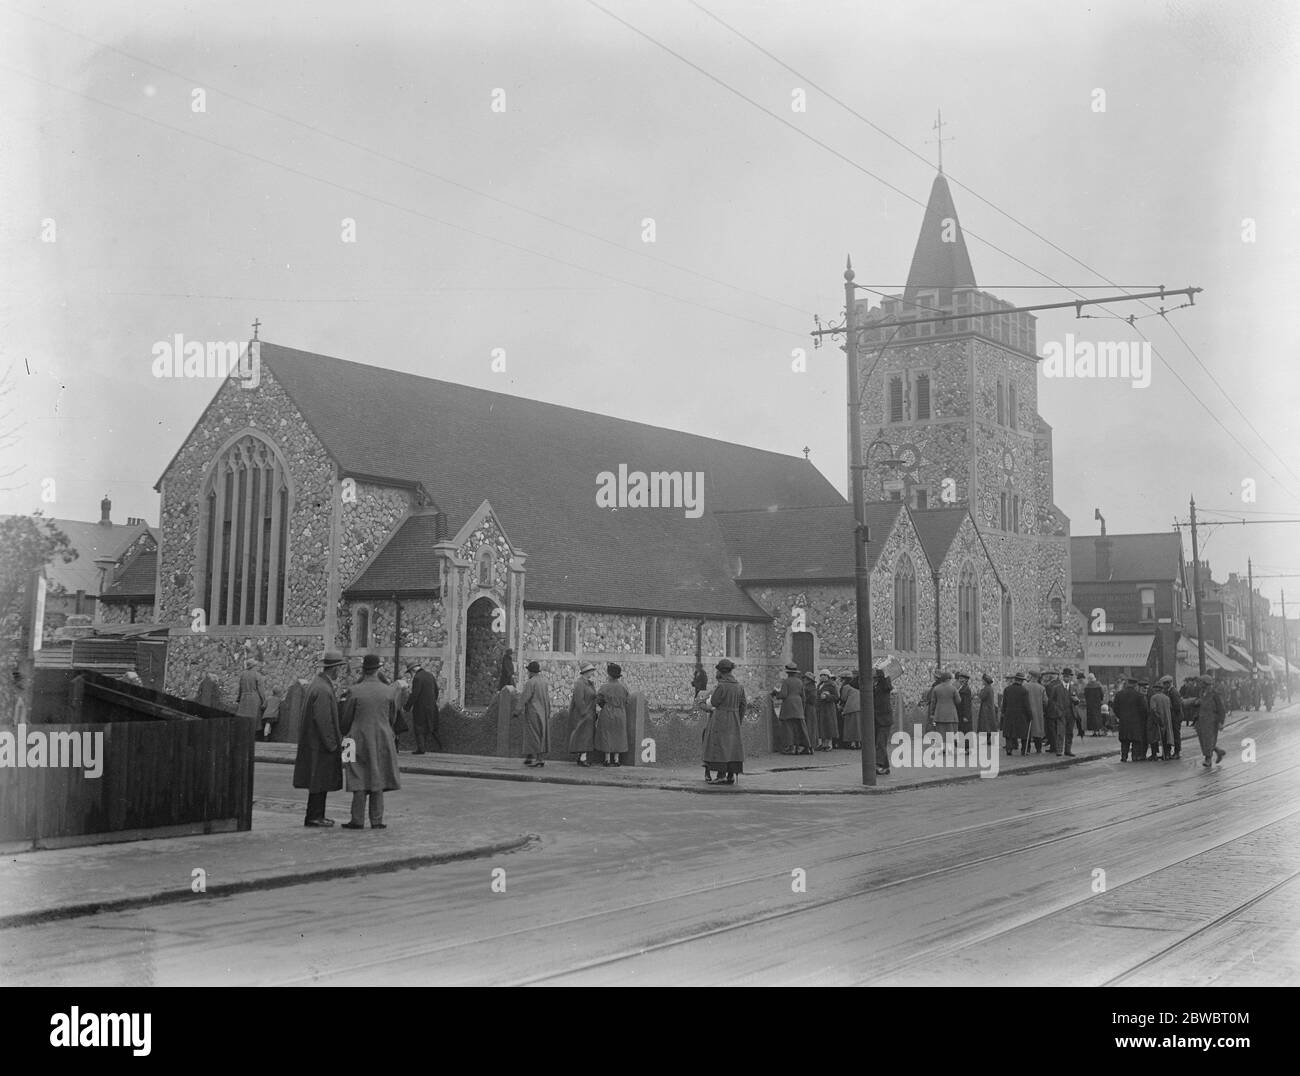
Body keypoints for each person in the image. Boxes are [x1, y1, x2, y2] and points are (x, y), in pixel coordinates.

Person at [340, 654, 401, 829]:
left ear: (364, 670)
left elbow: (346, 720)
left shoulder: (354, 691)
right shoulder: (389, 691)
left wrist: (344, 733)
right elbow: (393, 718)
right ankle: (377, 819)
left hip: (354, 739)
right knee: (378, 776)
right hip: (383, 739)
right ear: (378, 669)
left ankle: (357, 819)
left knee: (356, 774)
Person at [293, 650, 347, 827]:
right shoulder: (323, 689)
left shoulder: (317, 684)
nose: (339, 672)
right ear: (334, 669)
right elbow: (323, 719)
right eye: (339, 668)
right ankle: (315, 816)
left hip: (314, 742)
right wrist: (333, 744)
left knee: (318, 781)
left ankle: (316, 815)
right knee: (320, 781)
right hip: (320, 745)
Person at [701, 658, 745, 784]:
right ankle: (731, 775)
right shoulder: (739, 686)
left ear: (720, 672)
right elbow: (743, 705)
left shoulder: (721, 686)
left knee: (720, 746)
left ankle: (721, 775)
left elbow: (714, 702)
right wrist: (738, 719)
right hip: (734, 718)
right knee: (732, 746)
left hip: (721, 718)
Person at [773, 663, 812, 755]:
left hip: (788, 706)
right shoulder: (799, 682)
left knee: (788, 728)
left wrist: (776, 693)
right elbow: (803, 696)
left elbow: (783, 694)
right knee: (801, 727)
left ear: (788, 673)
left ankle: (790, 748)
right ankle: (807, 747)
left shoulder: (786, 682)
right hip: (798, 705)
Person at [595, 663, 630, 767]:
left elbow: (599, 700)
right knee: (619, 735)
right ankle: (616, 759)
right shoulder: (623, 687)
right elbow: (627, 701)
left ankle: (607, 759)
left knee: (607, 734)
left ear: (609, 675)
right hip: (620, 713)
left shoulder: (604, 687)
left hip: (607, 712)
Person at [518, 660, 551, 767]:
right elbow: (547, 699)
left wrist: (517, 710)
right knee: (541, 735)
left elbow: (524, 698)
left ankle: (538, 759)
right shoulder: (544, 682)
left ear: (531, 672)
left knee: (534, 735)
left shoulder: (530, 683)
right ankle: (531, 757)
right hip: (543, 712)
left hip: (533, 712)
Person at [404, 660, 441, 753]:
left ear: (412, 670)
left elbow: (415, 694)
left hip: (420, 707)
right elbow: (436, 690)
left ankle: (421, 748)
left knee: (419, 727)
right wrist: (432, 701)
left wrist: (407, 706)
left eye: (410, 672)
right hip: (431, 706)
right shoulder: (430, 675)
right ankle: (438, 746)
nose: (411, 674)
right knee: (431, 726)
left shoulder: (417, 677)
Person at [567, 662, 598, 766]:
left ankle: (581, 757)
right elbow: (579, 700)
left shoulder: (589, 683)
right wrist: (584, 712)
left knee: (586, 736)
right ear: (586, 672)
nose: (592, 673)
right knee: (583, 736)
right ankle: (583, 758)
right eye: (591, 671)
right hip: (583, 714)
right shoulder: (580, 683)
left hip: (589, 713)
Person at [1112, 677, 1149, 762]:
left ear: (1127, 684)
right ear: (1135, 685)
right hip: (1136, 723)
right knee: (1136, 741)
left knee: (1124, 741)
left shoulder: (1119, 694)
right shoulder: (1139, 696)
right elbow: (1144, 710)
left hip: (1124, 722)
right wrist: (1142, 719)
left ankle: (1124, 757)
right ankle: (1135, 756)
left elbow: (1115, 708)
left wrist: (1120, 716)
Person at [1195, 674, 1227, 768]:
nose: (1199, 684)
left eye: (1201, 683)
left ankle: (1208, 759)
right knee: (1203, 740)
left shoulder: (1214, 694)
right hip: (1201, 720)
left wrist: (1221, 722)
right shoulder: (1201, 692)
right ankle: (1218, 751)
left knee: (1209, 740)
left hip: (1212, 721)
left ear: (1206, 684)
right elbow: (1200, 704)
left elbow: (1221, 708)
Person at [928, 671, 960, 756]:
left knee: (940, 732)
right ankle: (950, 749)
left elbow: (933, 702)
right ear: (948, 679)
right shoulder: (953, 688)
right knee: (950, 732)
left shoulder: (936, 688)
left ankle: (942, 749)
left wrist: (932, 713)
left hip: (939, 714)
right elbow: (958, 701)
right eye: (950, 679)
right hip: (951, 715)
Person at [1045, 669, 1075, 757]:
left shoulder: (1073, 688)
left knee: (1069, 733)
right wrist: (1057, 709)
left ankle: (1068, 750)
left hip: (1071, 713)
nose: (1067, 678)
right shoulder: (1057, 688)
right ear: (1063, 677)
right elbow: (1052, 700)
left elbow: (1076, 699)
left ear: (1070, 677)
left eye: (1068, 676)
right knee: (1060, 732)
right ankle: (1059, 750)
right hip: (1061, 713)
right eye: (1065, 676)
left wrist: (1076, 701)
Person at [1001, 672, 1031, 755]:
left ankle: (1009, 749)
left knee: (1009, 733)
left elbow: (1004, 703)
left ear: (1015, 679)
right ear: (1022, 681)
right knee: (1023, 734)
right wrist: (1030, 715)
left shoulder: (1007, 689)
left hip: (1009, 714)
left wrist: (1003, 712)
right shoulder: (1024, 691)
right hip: (1021, 715)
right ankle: (1023, 750)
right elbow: (1027, 705)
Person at [235, 658, 267, 733]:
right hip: (254, 699)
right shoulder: (257, 675)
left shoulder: (243, 675)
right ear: (253, 666)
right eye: (256, 665)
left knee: (244, 718)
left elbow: (240, 688)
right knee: (254, 719)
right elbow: (261, 690)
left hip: (244, 698)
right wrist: (264, 701)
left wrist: (238, 698)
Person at [872, 669, 893, 774]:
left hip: (884, 719)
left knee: (880, 743)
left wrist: (881, 671)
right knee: (879, 743)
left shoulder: (884, 686)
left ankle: (878, 765)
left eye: (875, 677)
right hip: (876, 719)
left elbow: (887, 682)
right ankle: (885, 766)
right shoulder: (873, 687)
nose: (873, 679)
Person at [1147, 683, 1174, 761]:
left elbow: (1153, 709)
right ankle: (1166, 754)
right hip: (1167, 720)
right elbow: (1170, 708)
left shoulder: (1153, 698)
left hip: (1157, 721)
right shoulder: (1167, 698)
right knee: (1166, 737)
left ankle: (1154, 755)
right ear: (1162, 689)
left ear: (1155, 689)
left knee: (1154, 737)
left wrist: (1157, 719)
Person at [815, 670, 839, 751]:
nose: (822, 677)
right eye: (821, 675)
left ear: (828, 676)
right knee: (822, 725)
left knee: (829, 725)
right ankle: (823, 743)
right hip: (821, 708)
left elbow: (836, 697)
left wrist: (827, 697)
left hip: (828, 708)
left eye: (824, 675)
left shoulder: (831, 685)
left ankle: (829, 744)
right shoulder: (819, 685)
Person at [839, 671, 862, 751]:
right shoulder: (859, 685)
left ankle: (852, 743)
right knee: (858, 726)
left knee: (851, 727)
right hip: (860, 707)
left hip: (850, 708)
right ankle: (858, 743)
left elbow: (843, 698)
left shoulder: (846, 687)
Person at [1025, 671, 1047, 753]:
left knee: (1028, 731)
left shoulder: (1025, 686)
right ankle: (1038, 749)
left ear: (1031, 676)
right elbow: (1045, 701)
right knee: (1038, 731)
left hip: (1027, 712)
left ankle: (1027, 749)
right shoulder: (1041, 688)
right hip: (1038, 712)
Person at [977, 673, 998, 751]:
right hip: (989, 708)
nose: (982, 681)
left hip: (986, 709)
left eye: (983, 680)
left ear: (985, 681)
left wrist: (980, 691)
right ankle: (989, 739)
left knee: (986, 725)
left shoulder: (986, 689)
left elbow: (981, 696)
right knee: (989, 724)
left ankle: (988, 739)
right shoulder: (989, 688)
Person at [955, 672, 973, 760]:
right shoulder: (962, 688)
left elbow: (966, 704)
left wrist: (966, 716)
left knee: (965, 731)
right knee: (962, 731)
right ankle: (964, 747)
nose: (960, 680)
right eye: (960, 678)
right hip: (960, 713)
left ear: (965, 680)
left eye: (962, 678)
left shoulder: (965, 690)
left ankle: (967, 748)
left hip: (964, 714)